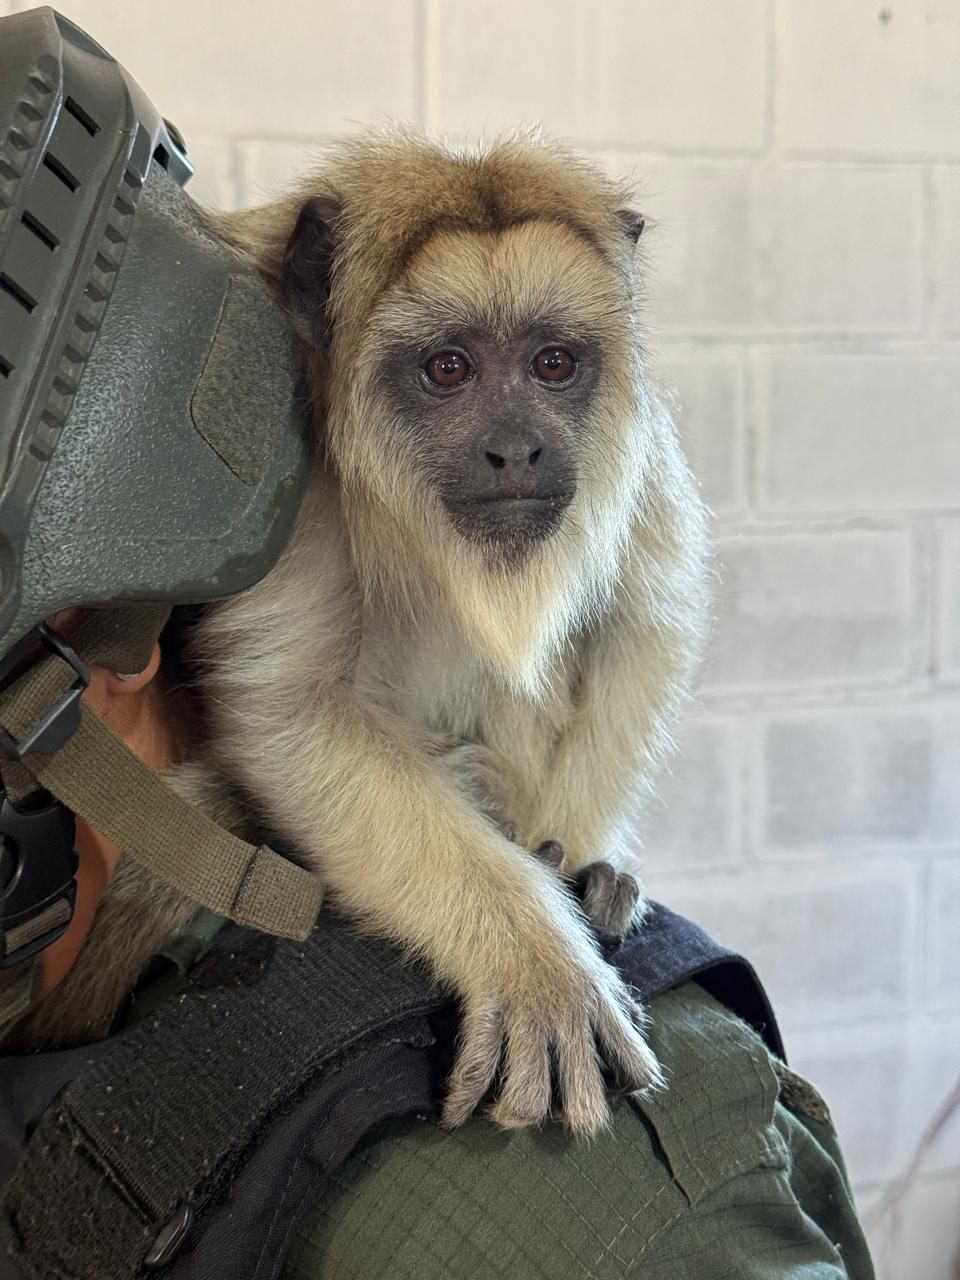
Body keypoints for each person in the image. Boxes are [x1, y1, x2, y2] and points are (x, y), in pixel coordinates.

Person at [0, 10, 875, 1278]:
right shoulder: (286, 442)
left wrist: (564, 851)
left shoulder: (638, 485)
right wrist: (503, 925)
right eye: (448, 371)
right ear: (326, 324)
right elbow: (291, 707)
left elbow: (648, 633)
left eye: (557, 365)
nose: (517, 440)